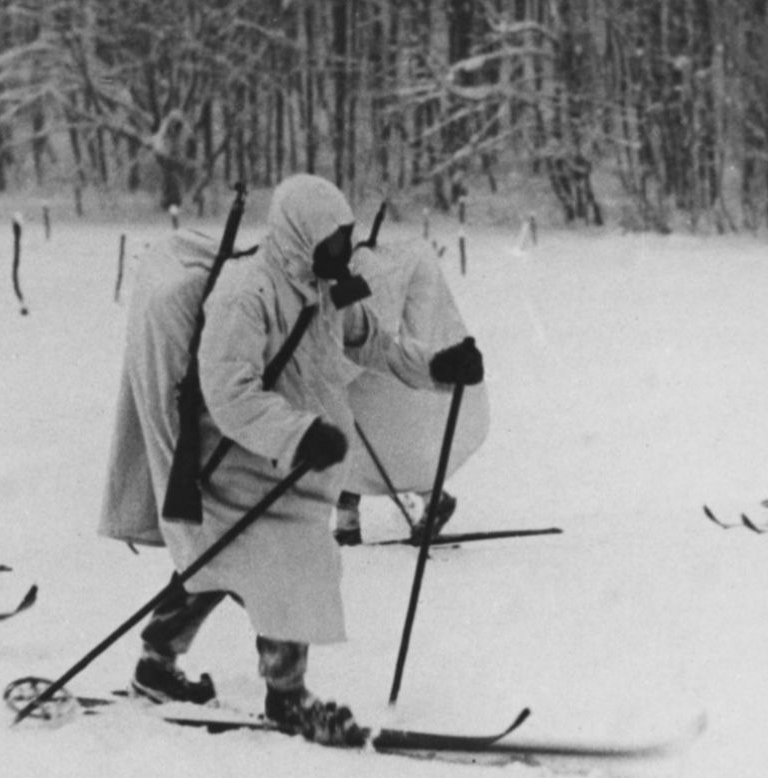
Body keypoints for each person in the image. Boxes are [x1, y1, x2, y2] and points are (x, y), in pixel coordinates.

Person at [100, 175, 483, 744]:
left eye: (346, 238)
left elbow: (371, 342)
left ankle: (155, 668)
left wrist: (436, 367)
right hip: (235, 456)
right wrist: (299, 434)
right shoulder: (245, 294)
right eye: (334, 241)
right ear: (301, 236)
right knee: (289, 561)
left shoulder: (323, 286)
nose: (343, 251)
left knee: (216, 561)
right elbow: (230, 395)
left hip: (285, 456)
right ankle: (288, 698)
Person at [332, 231, 489, 547]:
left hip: (391, 367)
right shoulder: (405, 258)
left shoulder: (369, 267)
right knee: (378, 437)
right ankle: (428, 501)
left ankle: (352, 522)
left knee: (357, 436)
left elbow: (368, 330)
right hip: (403, 366)